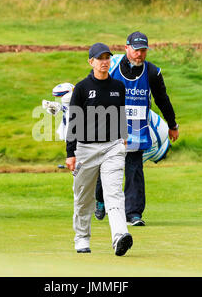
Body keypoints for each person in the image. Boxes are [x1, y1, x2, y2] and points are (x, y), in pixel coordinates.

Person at [94, 31, 179, 226]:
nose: (140, 54)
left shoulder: (152, 72)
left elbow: (162, 99)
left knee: (134, 170)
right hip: (110, 129)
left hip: (137, 131)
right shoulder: (112, 65)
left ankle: (133, 214)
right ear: (126, 48)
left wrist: (172, 124)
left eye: (143, 50)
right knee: (104, 167)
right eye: (136, 50)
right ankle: (100, 198)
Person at [65, 43, 133, 256]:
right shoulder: (82, 88)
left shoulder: (118, 87)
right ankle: (82, 238)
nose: (104, 62)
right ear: (91, 62)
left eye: (107, 58)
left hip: (113, 147)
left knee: (114, 192)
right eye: (100, 58)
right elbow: (73, 122)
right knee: (84, 197)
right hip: (85, 150)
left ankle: (120, 236)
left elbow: (120, 112)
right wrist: (70, 153)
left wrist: (123, 137)